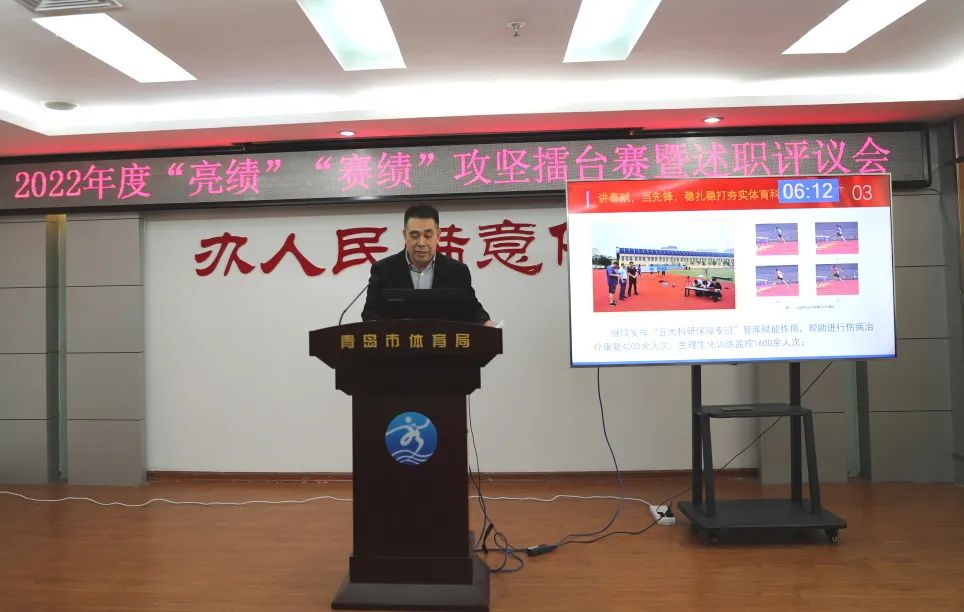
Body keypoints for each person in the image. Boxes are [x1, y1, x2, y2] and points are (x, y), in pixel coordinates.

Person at [361, 204, 492, 324]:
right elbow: (371, 312)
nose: (421, 243)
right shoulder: (383, 270)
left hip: (443, 341)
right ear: (404, 235)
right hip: (399, 342)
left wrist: (485, 322)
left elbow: (472, 309)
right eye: (414, 236)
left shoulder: (457, 271)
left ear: (438, 235)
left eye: (428, 235)